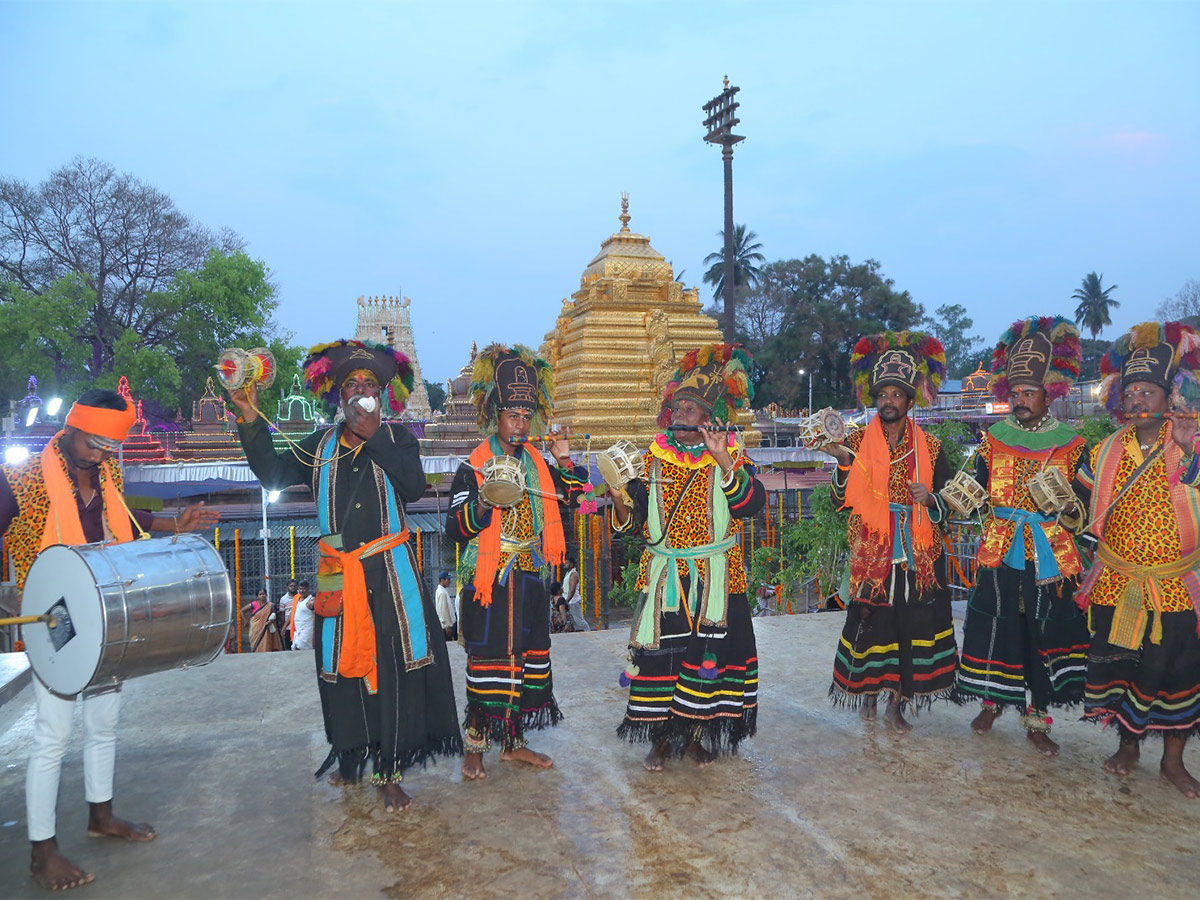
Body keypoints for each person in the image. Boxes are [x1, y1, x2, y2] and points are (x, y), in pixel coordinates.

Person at [226, 338, 461, 812]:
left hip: (390, 576)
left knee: (394, 671)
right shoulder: (320, 444)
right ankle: (351, 756)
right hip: (338, 575)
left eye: (369, 384)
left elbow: (415, 488)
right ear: (337, 395)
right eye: (350, 384)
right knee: (338, 670)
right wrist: (248, 414)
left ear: (383, 394)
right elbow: (272, 475)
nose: (359, 391)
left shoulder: (398, 438)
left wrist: (374, 436)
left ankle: (391, 771)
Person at [0, 389, 218, 891]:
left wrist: (172, 525)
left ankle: (102, 816)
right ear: (72, 427)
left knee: (104, 723)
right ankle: (42, 850)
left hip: (103, 617)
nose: (101, 453)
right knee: (52, 736)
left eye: (109, 446)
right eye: (95, 442)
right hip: (53, 619)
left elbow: (124, 523)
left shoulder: (108, 474)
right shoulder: (26, 476)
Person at [609, 344, 765, 771]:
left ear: (709, 417)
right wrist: (618, 501)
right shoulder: (651, 460)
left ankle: (696, 736)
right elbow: (633, 521)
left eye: (691, 409)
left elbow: (751, 504)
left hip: (716, 579)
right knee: (659, 659)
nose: (680, 415)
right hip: (663, 578)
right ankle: (660, 740)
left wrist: (721, 459)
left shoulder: (730, 456)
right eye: (676, 407)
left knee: (706, 662)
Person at [445, 343, 588, 781]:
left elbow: (573, 499)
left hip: (528, 574)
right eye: (513, 416)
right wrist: (486, 503)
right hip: (489, 577)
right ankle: (475, 742)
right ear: (495, 416)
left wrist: (564, 460)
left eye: (527, 417)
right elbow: (455, 526)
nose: (521, 424)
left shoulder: (539, 466)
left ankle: (513, 743)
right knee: (487, 660)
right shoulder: (474, 465)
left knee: (523, 660)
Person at [953, 317, 1091, 756]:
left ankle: (1038, 719)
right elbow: (973, 488)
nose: (1019, 401)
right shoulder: (993, 439)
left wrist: (1070, 509)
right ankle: (994, 702)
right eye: (1013, 394)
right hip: (999, 550)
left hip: (1049, 554)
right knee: (997, 628)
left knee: (1040, 635)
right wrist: (951, 501)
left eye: (1027, 393)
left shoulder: (1072, 443)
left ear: (1047, 393)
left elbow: (1085, 507)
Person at [1074, 321, 1200, 797]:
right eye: (1131, 392)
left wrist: (1192, 451)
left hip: (1174, 586)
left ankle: (1173, 761)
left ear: (1171, 398)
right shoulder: (1103, 451)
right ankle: (1129, 747)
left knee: (1178, 671)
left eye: (1148, 391)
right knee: (1125, 667)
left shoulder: (1193, 441)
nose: (1137, 400)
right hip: (1115, 583)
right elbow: (1079, 510)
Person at [824, 331, 957, 734]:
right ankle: (867, 692)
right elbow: (836, 498)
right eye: (882, 395)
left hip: (919, 552)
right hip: (872, 546)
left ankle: (897, 703)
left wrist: (930, 498)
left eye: (896, 395)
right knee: (871, 621)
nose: (888, 402)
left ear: (909, 401)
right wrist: (842, 465)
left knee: (910, 626)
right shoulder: (855, 440)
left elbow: (951, 502)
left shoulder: (930, 448)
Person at [243, 587, 283, 652]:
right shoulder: (254, 604)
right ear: (257, 597)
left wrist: (270, 621)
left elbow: (274, 615)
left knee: (265, 645)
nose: (262, 596)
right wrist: (245, 621)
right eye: (260, 594)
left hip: (266, 628)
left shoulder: (270, 605)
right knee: (255, 646)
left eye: (263, 594)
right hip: (255, 629)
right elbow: (242, 611)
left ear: (266, 595)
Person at [290, 580, 315, 651]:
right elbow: (293, 613)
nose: (302, 591)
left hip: (307, 628)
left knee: (304, 647)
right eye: (300, 589)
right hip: (297, 628)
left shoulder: (311, 600)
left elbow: (314, 611)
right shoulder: (297, 599)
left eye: (304, 589)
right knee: (296, 646)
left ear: (308, 589)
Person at [434, 571, 458, 642]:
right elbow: (443, 611)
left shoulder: (442, 591)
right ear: (442, 580)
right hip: (445, 626)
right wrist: (447, 626)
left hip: (444, 625)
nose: (450, 581)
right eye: (448, 580)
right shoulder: (442, 593)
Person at [277, 577, 298, 649]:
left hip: (298, 625)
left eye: (294, 586)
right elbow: (282, 614)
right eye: (291, 586)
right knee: (289, 647)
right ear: (287, 587)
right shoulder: (283, 599)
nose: (293, 587)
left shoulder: (300, 597)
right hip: (288, 627)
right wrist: (284, 626)